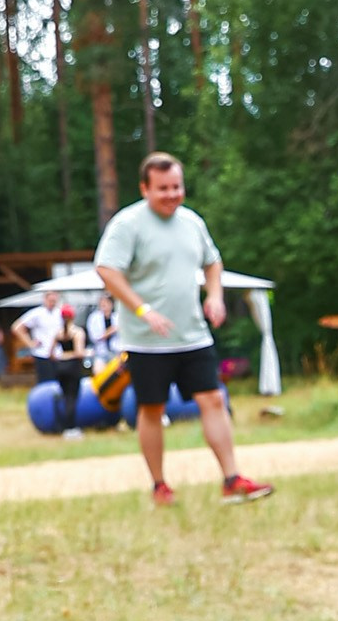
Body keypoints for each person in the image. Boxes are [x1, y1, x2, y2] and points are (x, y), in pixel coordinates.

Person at [95, 152, 274, 506]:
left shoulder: (192, 222)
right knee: (152, 408)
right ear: (145, 188)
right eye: (163, 188)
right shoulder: (127, 224)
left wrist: (215, 296)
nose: (172, 194)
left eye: (176, 187)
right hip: (146, 341)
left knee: (213, 399)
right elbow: (107, 270)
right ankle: (159, 486)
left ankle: (232, 479)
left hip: (192, 334)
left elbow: (213, 262)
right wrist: (143, 310)